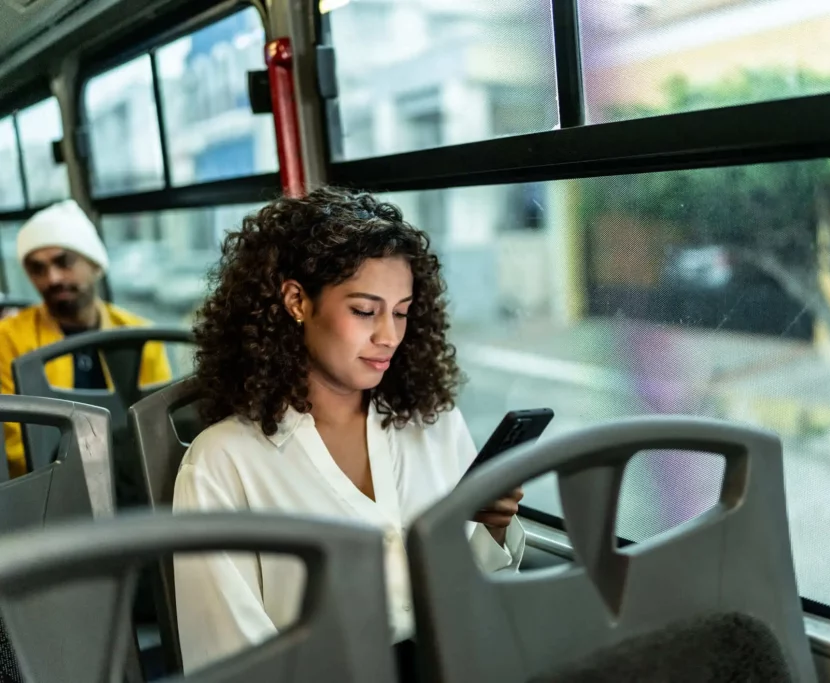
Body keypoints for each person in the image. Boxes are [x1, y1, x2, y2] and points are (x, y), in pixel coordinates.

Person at [172, 188, 526, 674]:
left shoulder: (435, 424)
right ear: (297, 301)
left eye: (401, 312)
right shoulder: (221, 463)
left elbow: (475, 597)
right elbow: (229, 660)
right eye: (364, 311)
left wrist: (493, 526)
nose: (389, 336)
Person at [0, 200, 172, 479]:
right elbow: (16, 443)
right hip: (51, 482)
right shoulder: (8, 339)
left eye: (64, 262)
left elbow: (158, 425)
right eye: (37, 268)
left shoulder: (139, 335)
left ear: (95, 264)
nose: (52, 278)